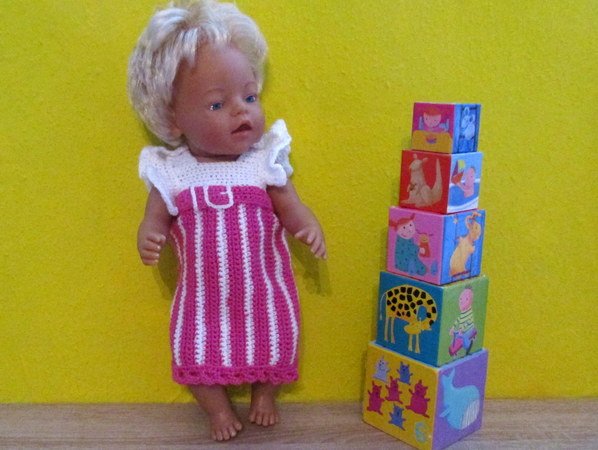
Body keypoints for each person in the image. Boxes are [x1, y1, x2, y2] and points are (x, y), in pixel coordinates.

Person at [127, 0, 326, 441]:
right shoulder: (173, 171)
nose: (242, 111)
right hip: (202, 299)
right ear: (174, 119)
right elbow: (154, 217)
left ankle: (264, 396)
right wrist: (150, 234)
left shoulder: (263, 163)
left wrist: (307, 226)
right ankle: (217, 410)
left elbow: (291, 205)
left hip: (263, 292)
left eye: (250, 97)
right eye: (218, 104)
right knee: (194, 351)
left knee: (276, 338)